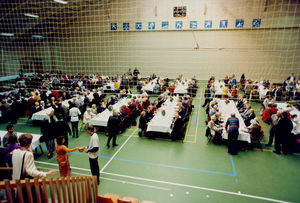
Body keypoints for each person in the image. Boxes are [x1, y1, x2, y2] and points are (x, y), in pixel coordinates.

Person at [12, 134, 56, 201]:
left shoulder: (15, 152)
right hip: (26, 183)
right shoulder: (28, 154)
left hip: (16, 180)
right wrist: (46, 173)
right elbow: (30, 171)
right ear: (29, 144)